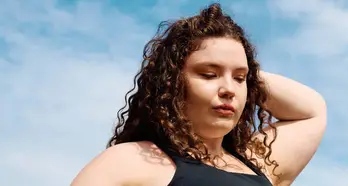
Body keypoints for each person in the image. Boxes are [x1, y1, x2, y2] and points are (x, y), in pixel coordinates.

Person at [71, 3, 327, 186]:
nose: (229, 89)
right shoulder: (133, 160)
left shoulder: (258, 163)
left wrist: (245, 71)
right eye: (208, 74)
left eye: (240, 78)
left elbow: (310, 111)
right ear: (171, 83)